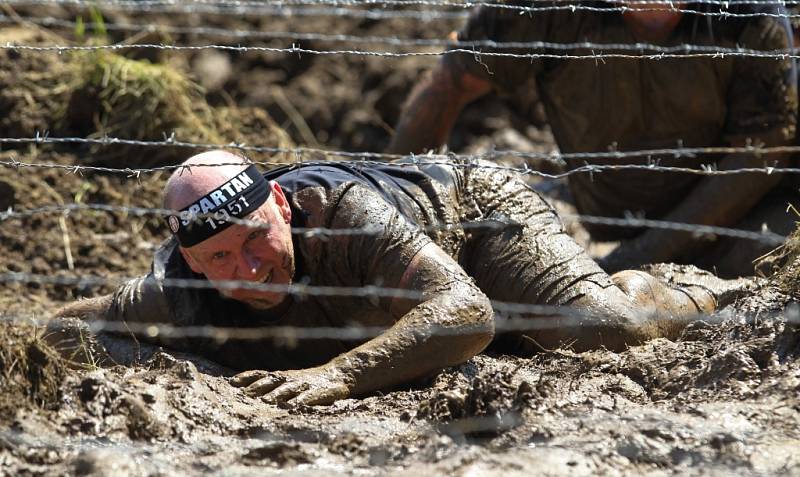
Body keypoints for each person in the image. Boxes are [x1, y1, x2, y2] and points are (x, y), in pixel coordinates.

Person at [55, 150, 739, 406]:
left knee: (602, 326)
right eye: (221, 261)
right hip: (413, 294)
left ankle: (689, 285)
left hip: (471, 219)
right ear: (194, 265)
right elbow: (66, 326)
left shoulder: (342, 214)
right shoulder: (177, 289)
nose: (250, 268)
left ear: (282, 206)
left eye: (258, 239)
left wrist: (340, 374)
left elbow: (468, 311)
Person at [387, 0, 799, 277]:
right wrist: (385, 207)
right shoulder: (549, 8)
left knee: (759, 261)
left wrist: (641, 255)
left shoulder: (746, 12)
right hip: (607, 222)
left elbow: (762, 151)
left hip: (740, 223)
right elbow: (452, 82)